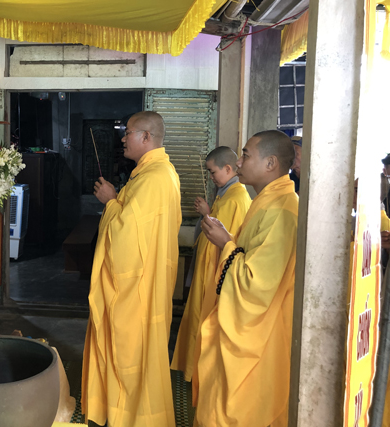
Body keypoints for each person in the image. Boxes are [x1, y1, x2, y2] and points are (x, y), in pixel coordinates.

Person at [82, 111, 182, 427]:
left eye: (128, 132)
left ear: (146, 137)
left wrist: (110, 202)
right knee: (138, 353)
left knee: (131, 353)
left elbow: (126, 236)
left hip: (138, 288)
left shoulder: (154, 178)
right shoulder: (154, 173)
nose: (123, 138)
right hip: (146, 281)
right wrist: (115, 201)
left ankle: (134, 416)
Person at [193, 130, 298, 427]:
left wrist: (226, 244)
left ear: (270, 163)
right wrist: (228, 241)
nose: (239, 162)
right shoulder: (266, 201)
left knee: (239, 411)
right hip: (246, 325)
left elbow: (255, 283)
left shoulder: (282, 210)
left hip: (260, 334)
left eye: (246, 155)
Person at [171, 146, 251, 381]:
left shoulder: (235, 199)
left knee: (205, 323)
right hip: (208, 271)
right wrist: (207, 213)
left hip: (215, 275)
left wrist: (208, 215)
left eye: (213, 172)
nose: (211, 177)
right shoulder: (225, 195)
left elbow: (225, 242)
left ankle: (199, 374)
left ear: (228, 169)